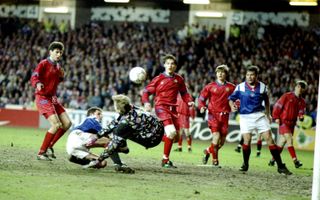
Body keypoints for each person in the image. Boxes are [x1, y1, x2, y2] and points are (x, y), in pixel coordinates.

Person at [228, 65, 292, 175]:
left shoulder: (263, 87)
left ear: (257, 76)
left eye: (252, 75)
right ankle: (245, 164)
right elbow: (231, 99)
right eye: (247, 75)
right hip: (245, 117)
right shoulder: (240, 87)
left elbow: (266, 100)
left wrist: (268, 114)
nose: (249, 77)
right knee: (247, 141)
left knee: (270, 139)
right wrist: (231, 106)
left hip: (260, 116)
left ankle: (280, 166)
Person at [141, 54, 194, 168]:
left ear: (175, 66)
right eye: (168, 63)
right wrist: (146, 102)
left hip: (174, 110)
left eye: (172, 63)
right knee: (171, 132)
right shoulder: (159, 78)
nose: (170, 65)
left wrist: (189, 101)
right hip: (161, 107)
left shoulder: (179, 79)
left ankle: (152, 138)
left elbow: (184, 93)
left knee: (176, 138)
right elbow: (146, 92)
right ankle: (165, 160)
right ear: (164, 65)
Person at [98, 94, 165, 171]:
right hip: (155, 132)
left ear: (119, 108)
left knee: (116, 134)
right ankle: (123, 148)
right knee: (117, 131)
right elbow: (114, 123)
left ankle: (120, 157)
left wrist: (99, 159)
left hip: (151, 139)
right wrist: (98, 135)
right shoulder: (131, 108)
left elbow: (113, 142)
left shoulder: (128, 120)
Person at [31, 41, 72, 161]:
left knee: (67, 124)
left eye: (60, 52)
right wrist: (37, 83)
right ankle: (41, 152)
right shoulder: (43, 63)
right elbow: (34, 76)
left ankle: (49, 147)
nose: (59, 54)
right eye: (57, 52)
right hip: (42, 98)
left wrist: (61, 77)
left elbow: (56, 81)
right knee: (56, 124)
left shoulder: (58, 66)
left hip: (53, 98)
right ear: (50, 52)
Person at [66, 106, 132, 172]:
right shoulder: (91, 119)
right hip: (77, 137)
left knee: (102, 163)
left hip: (71, 147)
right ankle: (119, 164)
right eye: (98, 114)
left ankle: (74, 158)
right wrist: (123, 148)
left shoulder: (87, 124)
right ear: (92, 114)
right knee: (108, 142)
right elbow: (106, 135)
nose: (101, 116)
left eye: (101, 114)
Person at [198, 65, 235, 167]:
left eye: (222, 72)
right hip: (212, 114)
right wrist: (201, 106)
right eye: (218, 72)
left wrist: (235, 106)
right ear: (216, 73)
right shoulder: (210, 86)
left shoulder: (231, 87)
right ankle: (215, 161)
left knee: (221, 142)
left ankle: (208, 151)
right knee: (216, 136)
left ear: (226, 74)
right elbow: (201, 98)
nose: (220, 74)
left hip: (225, 116)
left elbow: (237, 99)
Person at [269, 80, 307, 168]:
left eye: (302, 88)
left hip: (292, 124)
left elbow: (301, 112)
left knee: (281, 143)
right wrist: (276, 117)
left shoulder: (302, 101)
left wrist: (301, 117)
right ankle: (295, 161)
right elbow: (277, 106)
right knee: (289, 140)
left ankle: (272, 160)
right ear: (296, 87)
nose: (300, 89)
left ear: (303, 90)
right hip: (283, 122)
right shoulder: (287, 96)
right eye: (299, 87)